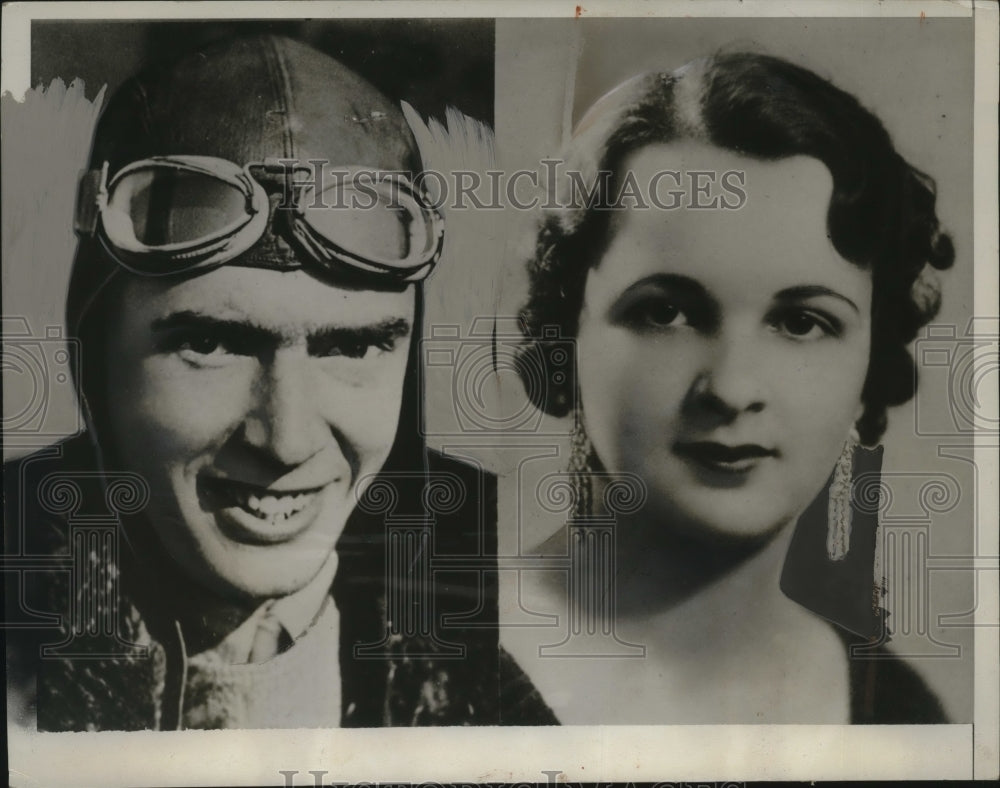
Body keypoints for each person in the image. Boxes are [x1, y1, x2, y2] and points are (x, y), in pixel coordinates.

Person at [5, 34, 551, 730]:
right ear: (91, 358)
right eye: (211, 344)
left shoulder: (490, 632)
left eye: (352, 348)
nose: (286, 440)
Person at [509, 51, 954, 724]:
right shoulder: (434, 654)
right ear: (565, 335)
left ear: (872, 364)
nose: (732, 387)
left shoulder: (900, 715)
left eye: (802, 322)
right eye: (665, 312)